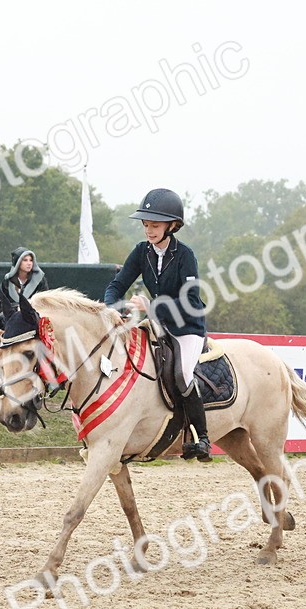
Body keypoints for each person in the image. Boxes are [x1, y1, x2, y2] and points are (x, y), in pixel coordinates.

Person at [103, 188, 211, 462]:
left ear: (172, 225)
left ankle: (202, 439)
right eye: (146, 225)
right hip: (159, 325)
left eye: (155, 225)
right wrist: (112, 309)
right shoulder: (142, 252)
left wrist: (151, 308)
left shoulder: (185, 255)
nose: (149, 230)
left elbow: (190, 299)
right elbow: (117, 285)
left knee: (182, 375)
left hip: (187, 327)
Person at [0, 247, 49, 329]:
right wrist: (15, 309)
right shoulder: (7, 281)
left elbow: (44, 302)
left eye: (31, 260)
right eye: (25, 260)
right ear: (18, 262)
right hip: (11, 319)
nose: (29, 263)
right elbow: (0, 304)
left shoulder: (40, 280)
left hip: (33, 319)